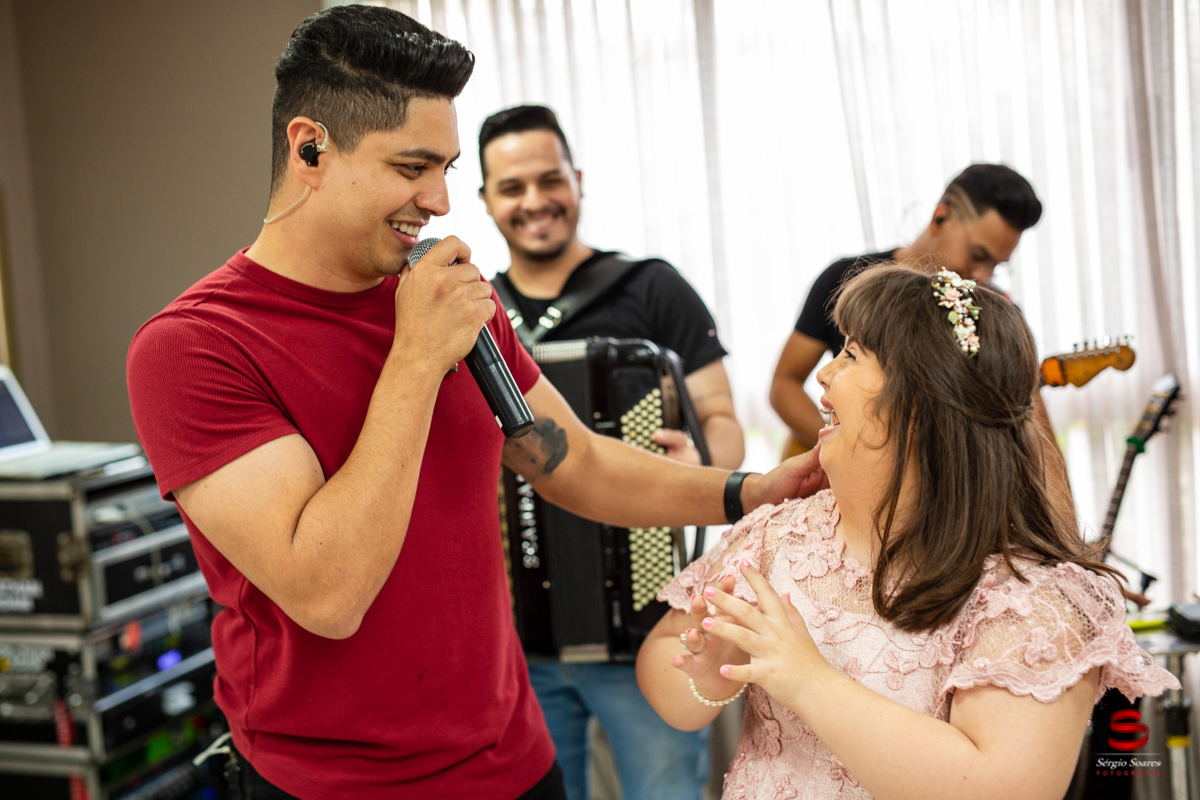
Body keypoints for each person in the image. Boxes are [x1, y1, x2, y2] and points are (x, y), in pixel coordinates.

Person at [125, 8, 823, 800]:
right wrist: (415, 358)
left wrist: (749, 491)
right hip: (331, 786)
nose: (439, 200)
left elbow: (573, 462)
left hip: (515, 762)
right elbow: (328, 594)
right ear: (310, 147)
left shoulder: (448, 294)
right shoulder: (194, 347)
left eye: (447, 168)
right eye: (412, 167)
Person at [637, 264, 1177, 799]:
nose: (823, 374)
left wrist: (807, 680)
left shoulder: (1030, 601)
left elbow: (1003, 787)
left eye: (851, 355)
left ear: (920, 404)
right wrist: (705, 679)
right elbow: (663, 660)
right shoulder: (774, 536)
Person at [477, 104, 744, 800]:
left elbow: (720, 416)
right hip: (515, 640)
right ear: (485, 200)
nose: (534, 201)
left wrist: (701, 463)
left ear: (578, 180)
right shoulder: (473, 316)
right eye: (511, 187)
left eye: (549, 179)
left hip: (643, 623)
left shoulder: (652, 288)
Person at [770, 164, 1042, 454]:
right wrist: (839, 448)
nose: (983, 276)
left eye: (995, 266)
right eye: (977, 255)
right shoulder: (847, 278)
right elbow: (785, 383)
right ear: (940, 216)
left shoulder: (992, 317)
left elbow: (1035, 433)